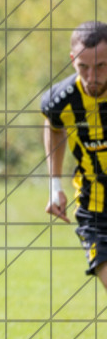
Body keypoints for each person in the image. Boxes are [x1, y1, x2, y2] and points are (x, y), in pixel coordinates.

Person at [42, 21, 107, 286]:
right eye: (84, 67)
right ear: (72, 61)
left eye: (102, 66)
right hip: (95, 209)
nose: (92, 77)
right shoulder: (60, 100)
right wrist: (54, 185)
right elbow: (54, 127)